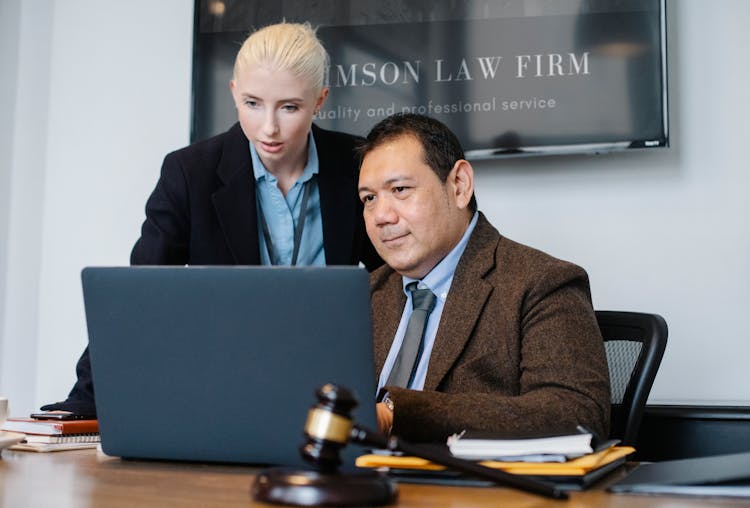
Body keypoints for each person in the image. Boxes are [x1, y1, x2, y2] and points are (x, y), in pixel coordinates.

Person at [42, 22, 381, 416]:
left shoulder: (358, 165)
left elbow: (396, 281)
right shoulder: (190, 173)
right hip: (229, 382)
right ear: (234, 92)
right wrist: (82, 404)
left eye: (289, 107)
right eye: (252, 103)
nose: (268, 127)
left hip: (332, 384)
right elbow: (140, 295)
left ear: (319, 100)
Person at [357, 113, 610, 443]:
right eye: (369, 198)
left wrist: (396, 415)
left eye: (401, 189)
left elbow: (576, 414)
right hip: (355, 483)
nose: (381, 217)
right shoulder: (363, 293)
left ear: (459, 185)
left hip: (470, 491)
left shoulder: (542, 283)